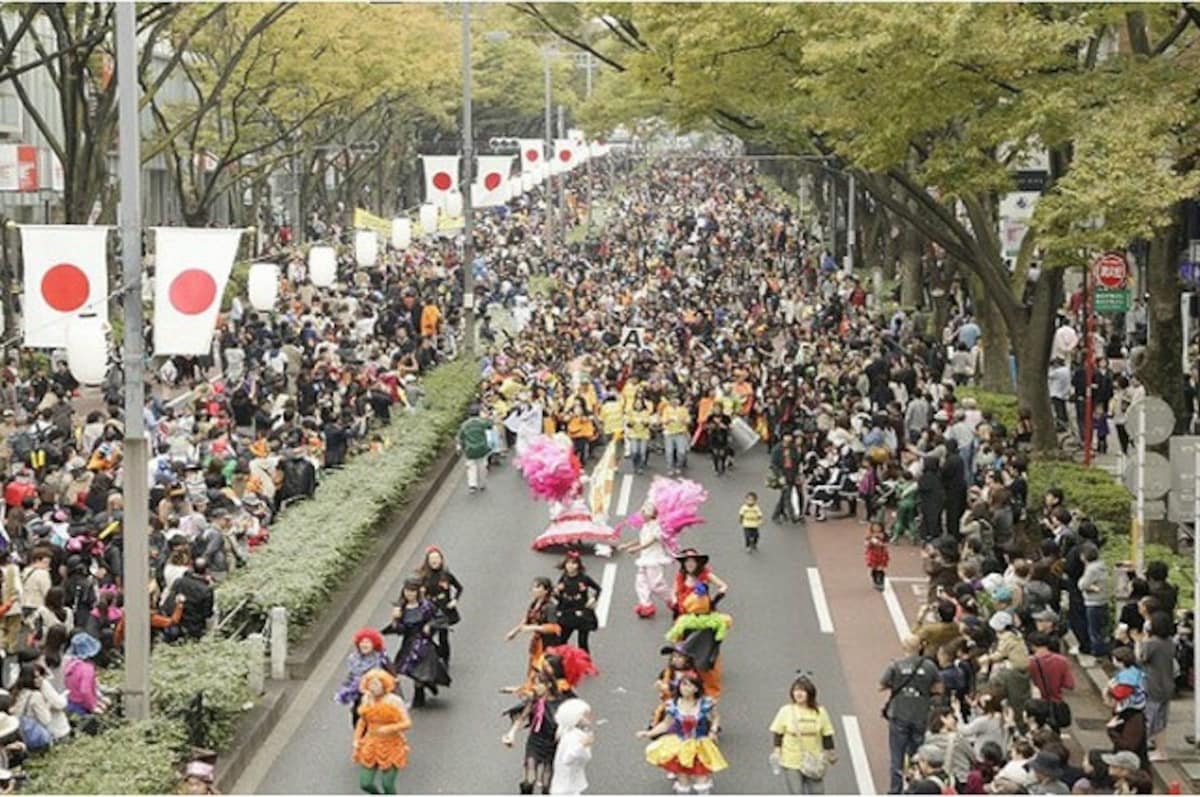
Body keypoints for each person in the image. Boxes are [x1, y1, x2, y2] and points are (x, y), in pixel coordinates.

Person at [638, 671, 727, 795]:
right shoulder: (673, 705)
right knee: (683, 781)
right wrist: (649, 733)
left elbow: (715, 718)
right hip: (680, 746)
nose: (685, 688)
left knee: (702, 781)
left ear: (696, 688)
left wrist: (713, 731)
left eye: (689, 685)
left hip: (700, 745)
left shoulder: (706, 704)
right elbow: (666, 724)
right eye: (683, 684)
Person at [880, 634, 943, 794]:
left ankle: (895, 790)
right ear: (920, 647)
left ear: (904, 647)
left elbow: (882, 685)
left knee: (897, 757)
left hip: (899, 714)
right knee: (918, 754)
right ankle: (916, 787)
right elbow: (938, 689)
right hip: (921, 715)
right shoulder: (930, 666)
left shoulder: (896, 665)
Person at [382, 579, 450, 709]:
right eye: (407, 591)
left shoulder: (426, 606)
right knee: (408, 669)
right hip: (409, 642)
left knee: (420, 670)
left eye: (412, 591)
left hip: (423, 643)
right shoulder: (401, 608)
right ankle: (427, 684)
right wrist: (395, 620)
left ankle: (419, 698)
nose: (410, 594)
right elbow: (400, 630)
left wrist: (430, 625)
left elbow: (440, 618)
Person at [769, 673, 838, 794]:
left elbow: (827, 734)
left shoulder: (820, 712)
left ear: (810, 694)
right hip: (791, 760)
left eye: (803, 691)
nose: (799, 694)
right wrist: (777, 751)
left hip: (813, 760)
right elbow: (778, 733)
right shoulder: (786, 711)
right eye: (796, 690)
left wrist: (830, 753)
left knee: (817, 792)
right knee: (797, 792)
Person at [503, 671, 564, 795]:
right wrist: (511, 734)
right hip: (536, 742)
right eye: (534, 684)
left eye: (539, 684)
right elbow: (522, 718)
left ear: (549, 685)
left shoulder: (561, 703)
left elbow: (570, 721)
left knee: (547, 786)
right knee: (530, 781)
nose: (535, 688)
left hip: (552, 745)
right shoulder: (535, 701)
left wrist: (562, 731)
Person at [352, 668, 411, 795]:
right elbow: (362, 722)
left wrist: (389, 728)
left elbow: (407, 723)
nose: (372, 688)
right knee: (365, 783)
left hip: (391, 745)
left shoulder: (394, 701)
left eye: (376, 684)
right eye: (370, 684)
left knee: (387, 784)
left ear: (384, 684)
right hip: (371, 744)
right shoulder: (366, 699)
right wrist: (356, 739)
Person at [619, 505, 674, 619]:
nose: (642, 513)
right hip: (644, 559)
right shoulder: (645, 526)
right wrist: (627, 545)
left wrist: (637, 549)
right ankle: (646, 605)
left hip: (653, 559)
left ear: (653, 514)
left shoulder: (658, 527)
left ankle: (672, 599)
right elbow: (641, 539)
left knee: (656, 584)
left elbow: (651, 541)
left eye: (645, 511)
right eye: (642, 511)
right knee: (641, 582)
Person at [506, 577, 561, 689]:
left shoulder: (550, 607)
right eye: (534, 587)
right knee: (533, 664)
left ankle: (545, 690)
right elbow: (527, 619)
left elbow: (554, 627)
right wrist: (515, 631)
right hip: (537, 641)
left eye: (537, 587)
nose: (533, 590)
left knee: (543, 668)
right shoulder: (534, 603)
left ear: (545, 591)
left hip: (548, 643)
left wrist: (533, 628)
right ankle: (529, 686)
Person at [1133, 611, 1175, 761]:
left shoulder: (1152, 643)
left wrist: (1139, 641)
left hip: (1153, 685)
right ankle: (1161, 751)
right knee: (1161, 721)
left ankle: (1140, 749)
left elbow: (1140, 658)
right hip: (1167, 685)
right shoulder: (1169, 641)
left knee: (1149, 719)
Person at [335, 629, 392, 729]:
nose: (364, 645)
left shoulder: (381, 658)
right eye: (362, 642)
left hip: (377, 695)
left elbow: (391, 675)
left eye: (367, 642)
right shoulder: (353, 658)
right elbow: (351, 676)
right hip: (359, 694)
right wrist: (345, 689)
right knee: (358, 719)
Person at [416, 546, 463, 664]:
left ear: (441, 559)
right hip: (430, 611)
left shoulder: (446, 575)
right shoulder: (423, 577)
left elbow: (459, 588)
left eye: (437, 558)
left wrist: (455, 600)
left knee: (443, 637)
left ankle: (445, 658)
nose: (434, 561)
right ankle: (437, 653)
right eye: (431, 558)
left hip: (444, 611)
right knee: (427, 636)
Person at [554, 551, 601, 653]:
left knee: (582, 643)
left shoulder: (584, 578)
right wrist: (557, 593)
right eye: (568, 563)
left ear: (578, 565)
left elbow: (598, 589)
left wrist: (594, 598)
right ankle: (564, 661)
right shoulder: (563, 578)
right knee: (561, 640)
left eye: (574, 563)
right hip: (567, 612)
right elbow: (560, 597)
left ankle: (586, 665)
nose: (570, 566)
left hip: (581, 613)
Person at [549, 698, 594, 795]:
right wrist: (583, 745)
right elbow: (568, 759)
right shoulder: (572, 737)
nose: (590, 717)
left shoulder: (571, 733)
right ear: (575, 718)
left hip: (568, 786)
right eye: (585, 715)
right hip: (567, 788)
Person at [63, 632, 109, 716]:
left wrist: (98, 699)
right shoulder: (87, 669)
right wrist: (93, 706)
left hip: (70, 703)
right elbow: (85, 690)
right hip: (81, 706)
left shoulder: (72, 663)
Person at [458, 404, 493, 493]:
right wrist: (487, 415)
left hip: (470, 450)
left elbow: (460, 437)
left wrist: (460, 447)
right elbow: (490, 425)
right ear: (478, 413)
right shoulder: (481, 422)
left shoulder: (464, 425)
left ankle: (472, 485)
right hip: (482, 448)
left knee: (471, 467)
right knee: (482, 466)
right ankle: (482, 483)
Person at [865, 520, 890, 591]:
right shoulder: (870, 535)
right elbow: (866, 543)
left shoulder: (884, 535)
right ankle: (875, 581)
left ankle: (881, 582)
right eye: (874, 527)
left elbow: (886, 544)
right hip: (872, 554)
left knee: (880, 568)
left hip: (882, 554)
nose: (876, 528)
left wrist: (880, 543)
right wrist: (870, 541)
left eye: (878, 527)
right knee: (873, 568)